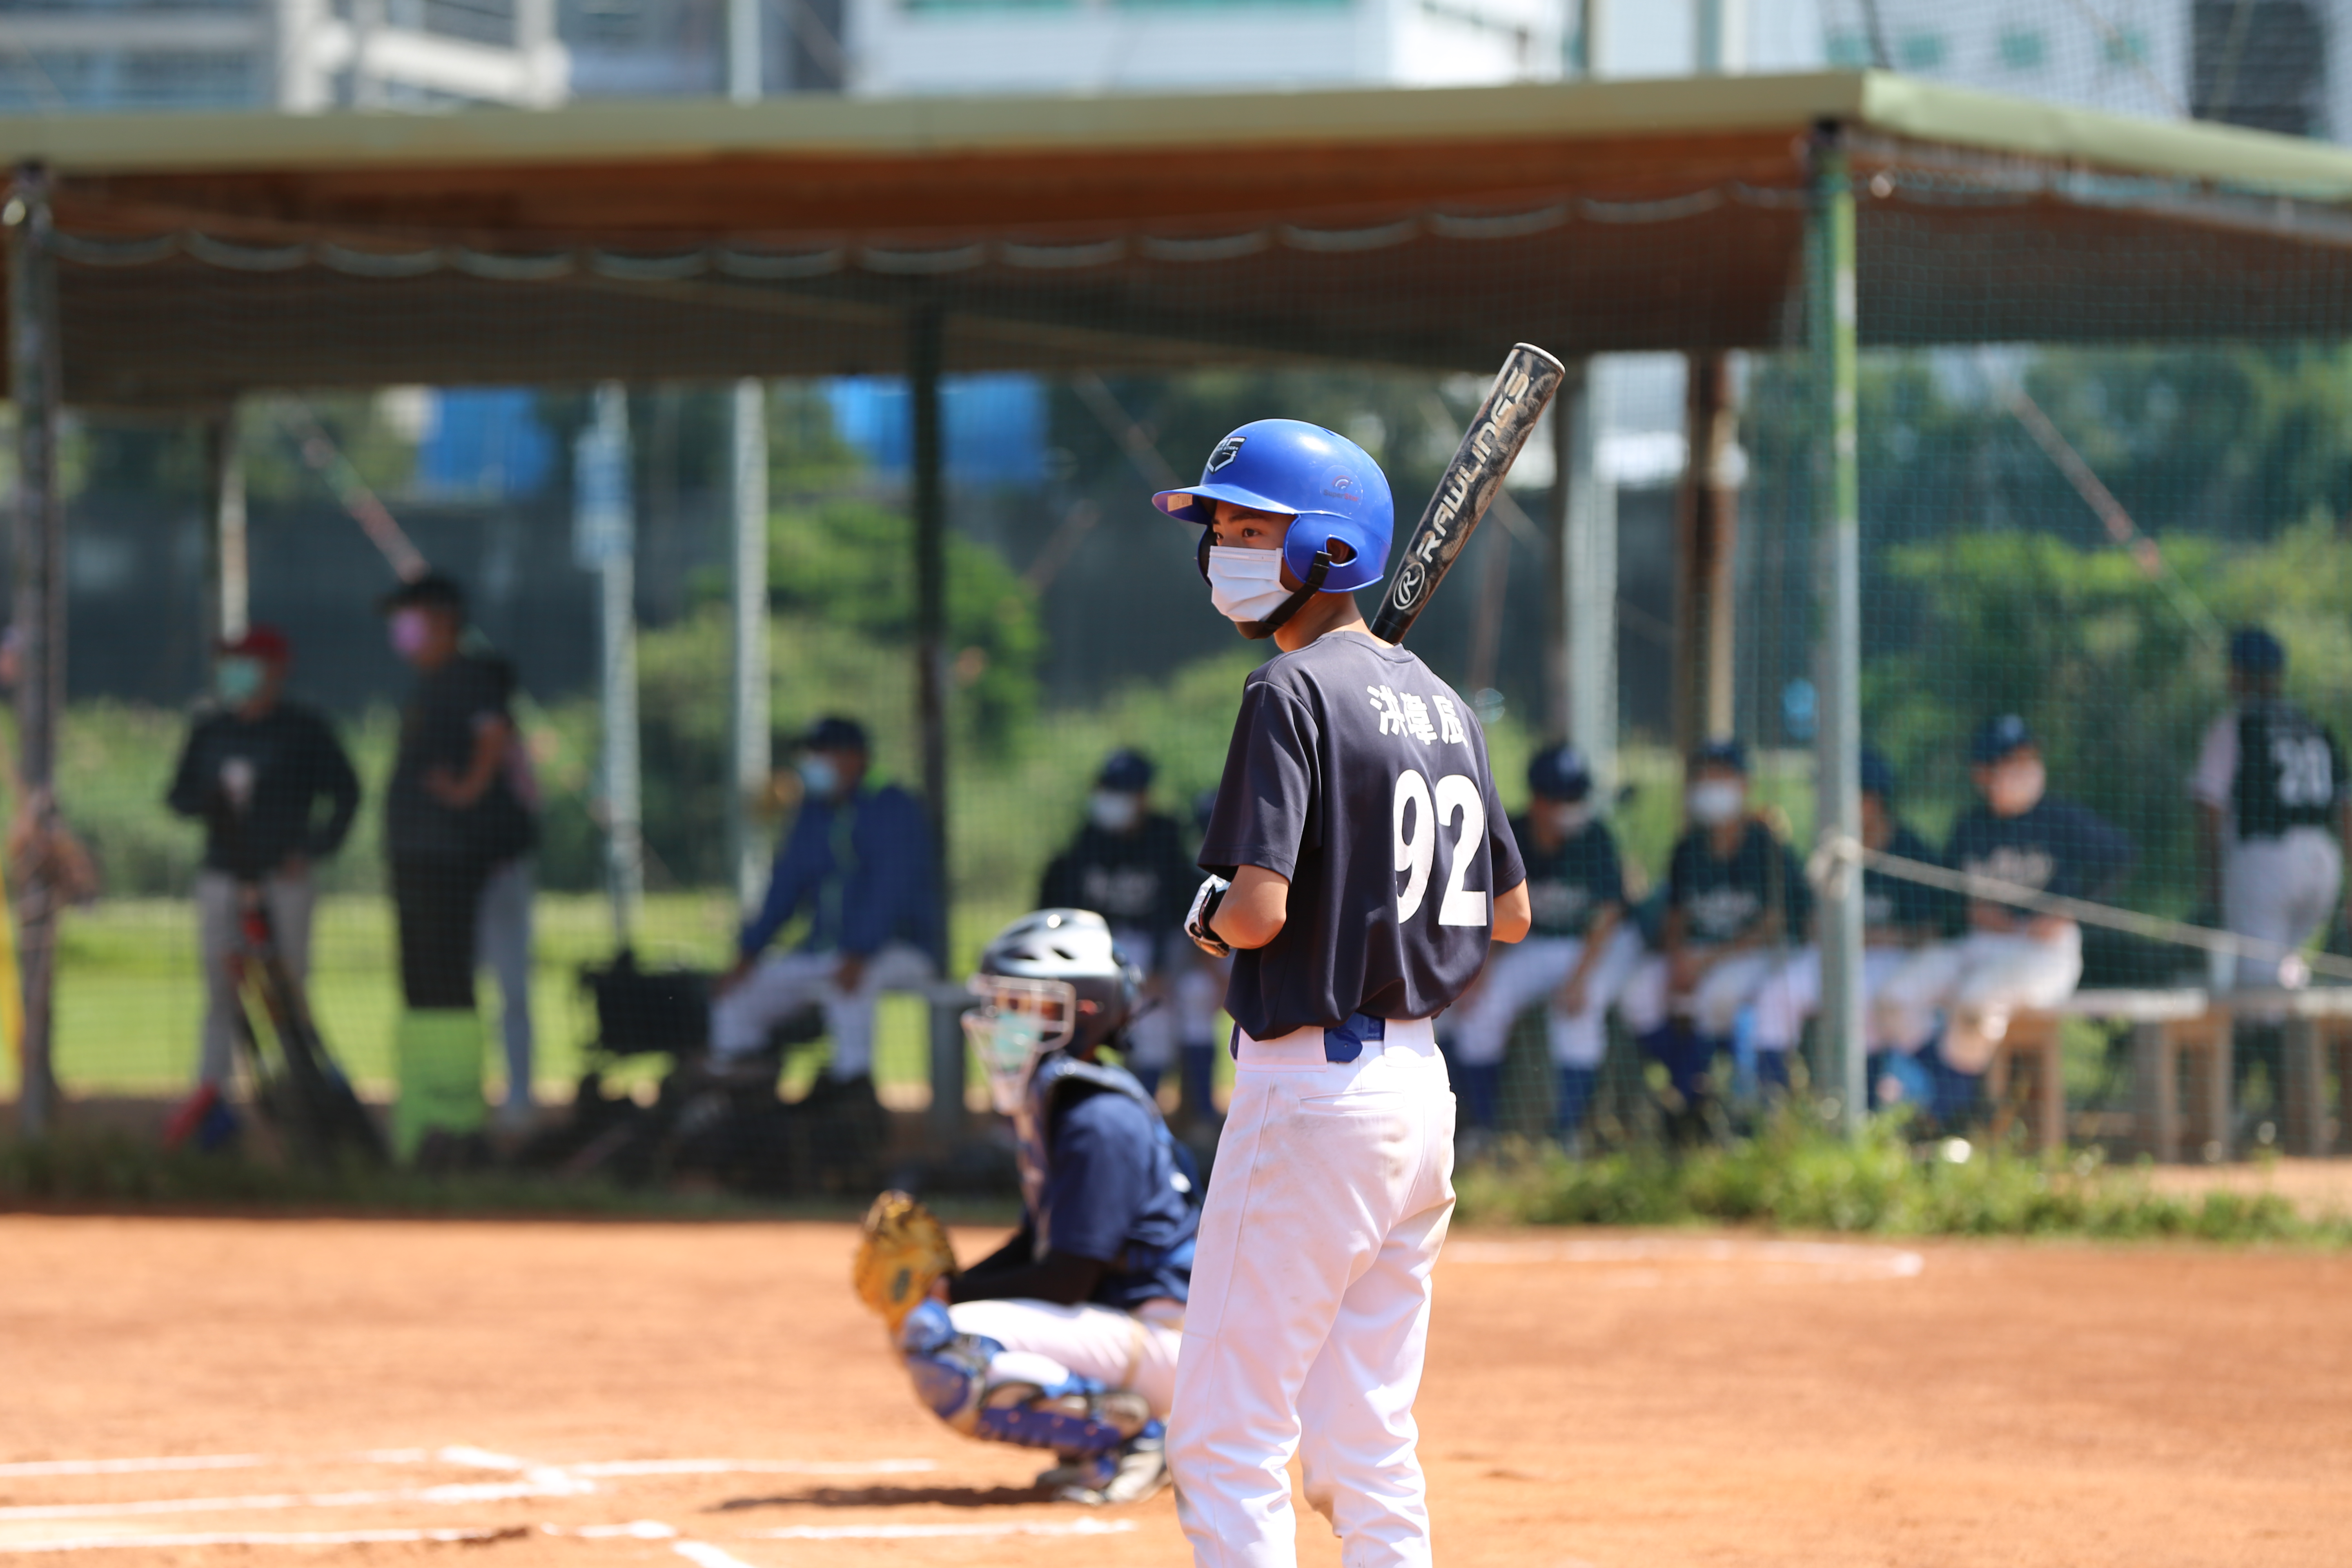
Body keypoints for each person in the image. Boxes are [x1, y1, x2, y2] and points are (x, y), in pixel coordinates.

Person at [1152, 419, 1531, 1568]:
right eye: (1221, 530)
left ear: (1326, 547)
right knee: (1362, 1436)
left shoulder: (1287, 690)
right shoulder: (1443, 704)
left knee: (1224, 1433)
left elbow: (1255, 912)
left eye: (1248, 528)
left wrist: (1207, 910)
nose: (1223, 550)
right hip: (1417, 1095)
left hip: (1310, 1096)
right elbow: (1509, 912)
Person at [896, 908, 1197, 1506]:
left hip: (1169, 1338)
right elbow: (1038, 1247)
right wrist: (944, 1286)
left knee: (942, 1339)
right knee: (934, 1318)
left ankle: (1139, 1439)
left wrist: (951, 1298)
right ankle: (1108, 1434)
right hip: (1135, 1328)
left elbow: (1067, 1277)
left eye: (1020, 1003)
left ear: (1081, 1012)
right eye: (998, 1002)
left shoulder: (1097, 1116)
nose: (1000, 1018)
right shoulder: (1062, 1100)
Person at [162, 624, 361, 1145]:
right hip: (224, 876)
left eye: (246, 662)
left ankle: (303, 1100)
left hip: (282, 882)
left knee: (286, 991)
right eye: (230, 663)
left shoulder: (303, 729)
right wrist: (213, 800)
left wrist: (313, 848)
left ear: (276, 669)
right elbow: (178, 796)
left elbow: (347, 793)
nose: (235, 673)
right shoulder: (212, 728)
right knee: (221, 990)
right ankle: (212, 1102)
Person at [1876, 715, 2133, 1076]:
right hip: (1982, 945)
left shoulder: (2058, 818)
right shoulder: (1970, 827)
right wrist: (1969, 911)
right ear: (1982, 773)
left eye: (2028, 758)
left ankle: (1957, 1090)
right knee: (1896, 996)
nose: (2024, 769)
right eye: (2011, 761)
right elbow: (1945, 895)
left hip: (2044, 953)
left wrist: (2069, 911)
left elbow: (2121, 856)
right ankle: (1941, 1083)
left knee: (1977, 1002)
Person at [713, 716, 943, 1107]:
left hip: (899, 948)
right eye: (811, 755)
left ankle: (852, 1097)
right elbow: (786, 886)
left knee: (848, 987)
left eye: (824, 754)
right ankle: (745, 1108)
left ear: (855, 758)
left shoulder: (893, 806)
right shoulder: (813, 811)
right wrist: (749, 951)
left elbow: (890, 891)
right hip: (825, 950)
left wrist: (859, 951)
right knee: (738, 996)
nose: (813, 764)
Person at [380, 573, 533, 1159]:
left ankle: (484, 1109)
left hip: (470, 865)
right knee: (436, 983)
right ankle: (435, 1109)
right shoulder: (429, 683)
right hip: (430, 860)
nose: (402, 631)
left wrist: (467, 790)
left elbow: (492, 736)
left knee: (491, 985)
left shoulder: (468, 677)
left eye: (410, 618)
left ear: (442, 620)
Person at [1445, 743, 1639, 1144]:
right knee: (1481, 1007)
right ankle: (1484, 1132)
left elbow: (1607, 917)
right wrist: (1481, 972)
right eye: (1560, 798)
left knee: (1578, 1009)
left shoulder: (1594, 837)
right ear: (1537, 800)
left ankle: (1566, 1136)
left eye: (1575, 797)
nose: (1571, 807)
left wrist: (1579, 980)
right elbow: (1497, 915)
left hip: (1598, 946)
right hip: (1535, 945)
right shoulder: (1511, 836)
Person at [2189, 628, 2350, 1111]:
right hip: (2323, 859)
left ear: (2237, 674)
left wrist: (2212, 877)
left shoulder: (2236, 725)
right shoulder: (2314, 726)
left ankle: (2276, 1109)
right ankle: (2282, 1106)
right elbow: (2346, 808)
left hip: (2265, 859)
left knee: (2257, 991)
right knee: (2284, 974)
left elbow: (2210, 805)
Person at [1617, 738, 1808, 1125]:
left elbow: (1775, 925)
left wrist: (1705, 962)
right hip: (1699, 952)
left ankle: (1711, 1103)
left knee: (1715, 994)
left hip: (1758, 953)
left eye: (1722, 776)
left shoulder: (1766, 845)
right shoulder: (1689, 847)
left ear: (1744, 784)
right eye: (1705, 777)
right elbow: (1676, 916)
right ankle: (1686, 1093)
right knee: (1638, 993)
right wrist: (1678, 960)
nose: (1711, 786)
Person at [1749, 748, 1951, 1111]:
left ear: (1872, 800)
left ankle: (1868, 1111)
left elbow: (1930, 932)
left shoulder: (1910, 849)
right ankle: (1775, 1114)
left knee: (1860, 1000)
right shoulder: (1832, 850)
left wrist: (1877, 938)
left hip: (1892, 959)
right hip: (1833, 953)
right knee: (1776, 995)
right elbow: (1808, 923)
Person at [1038, 748, 1198, 1098]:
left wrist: (1159, 967)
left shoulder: (1163, 838)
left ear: (1143, 797)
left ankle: (1158, 1104)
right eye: (1109, 790)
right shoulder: (1087, 842)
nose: (1113, 800)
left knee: (1162, 1005)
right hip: (1108, 951)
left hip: (1161, 947)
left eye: (1123, 792)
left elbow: (1176, 910)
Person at [470, 649, 540, 1132]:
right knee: (458, 994)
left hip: (504, 878)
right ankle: (463, 1092)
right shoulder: (446, 734)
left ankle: (519, 1097)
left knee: (513, 993)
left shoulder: (511, 745)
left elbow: (529, 814)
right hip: (454, 883)